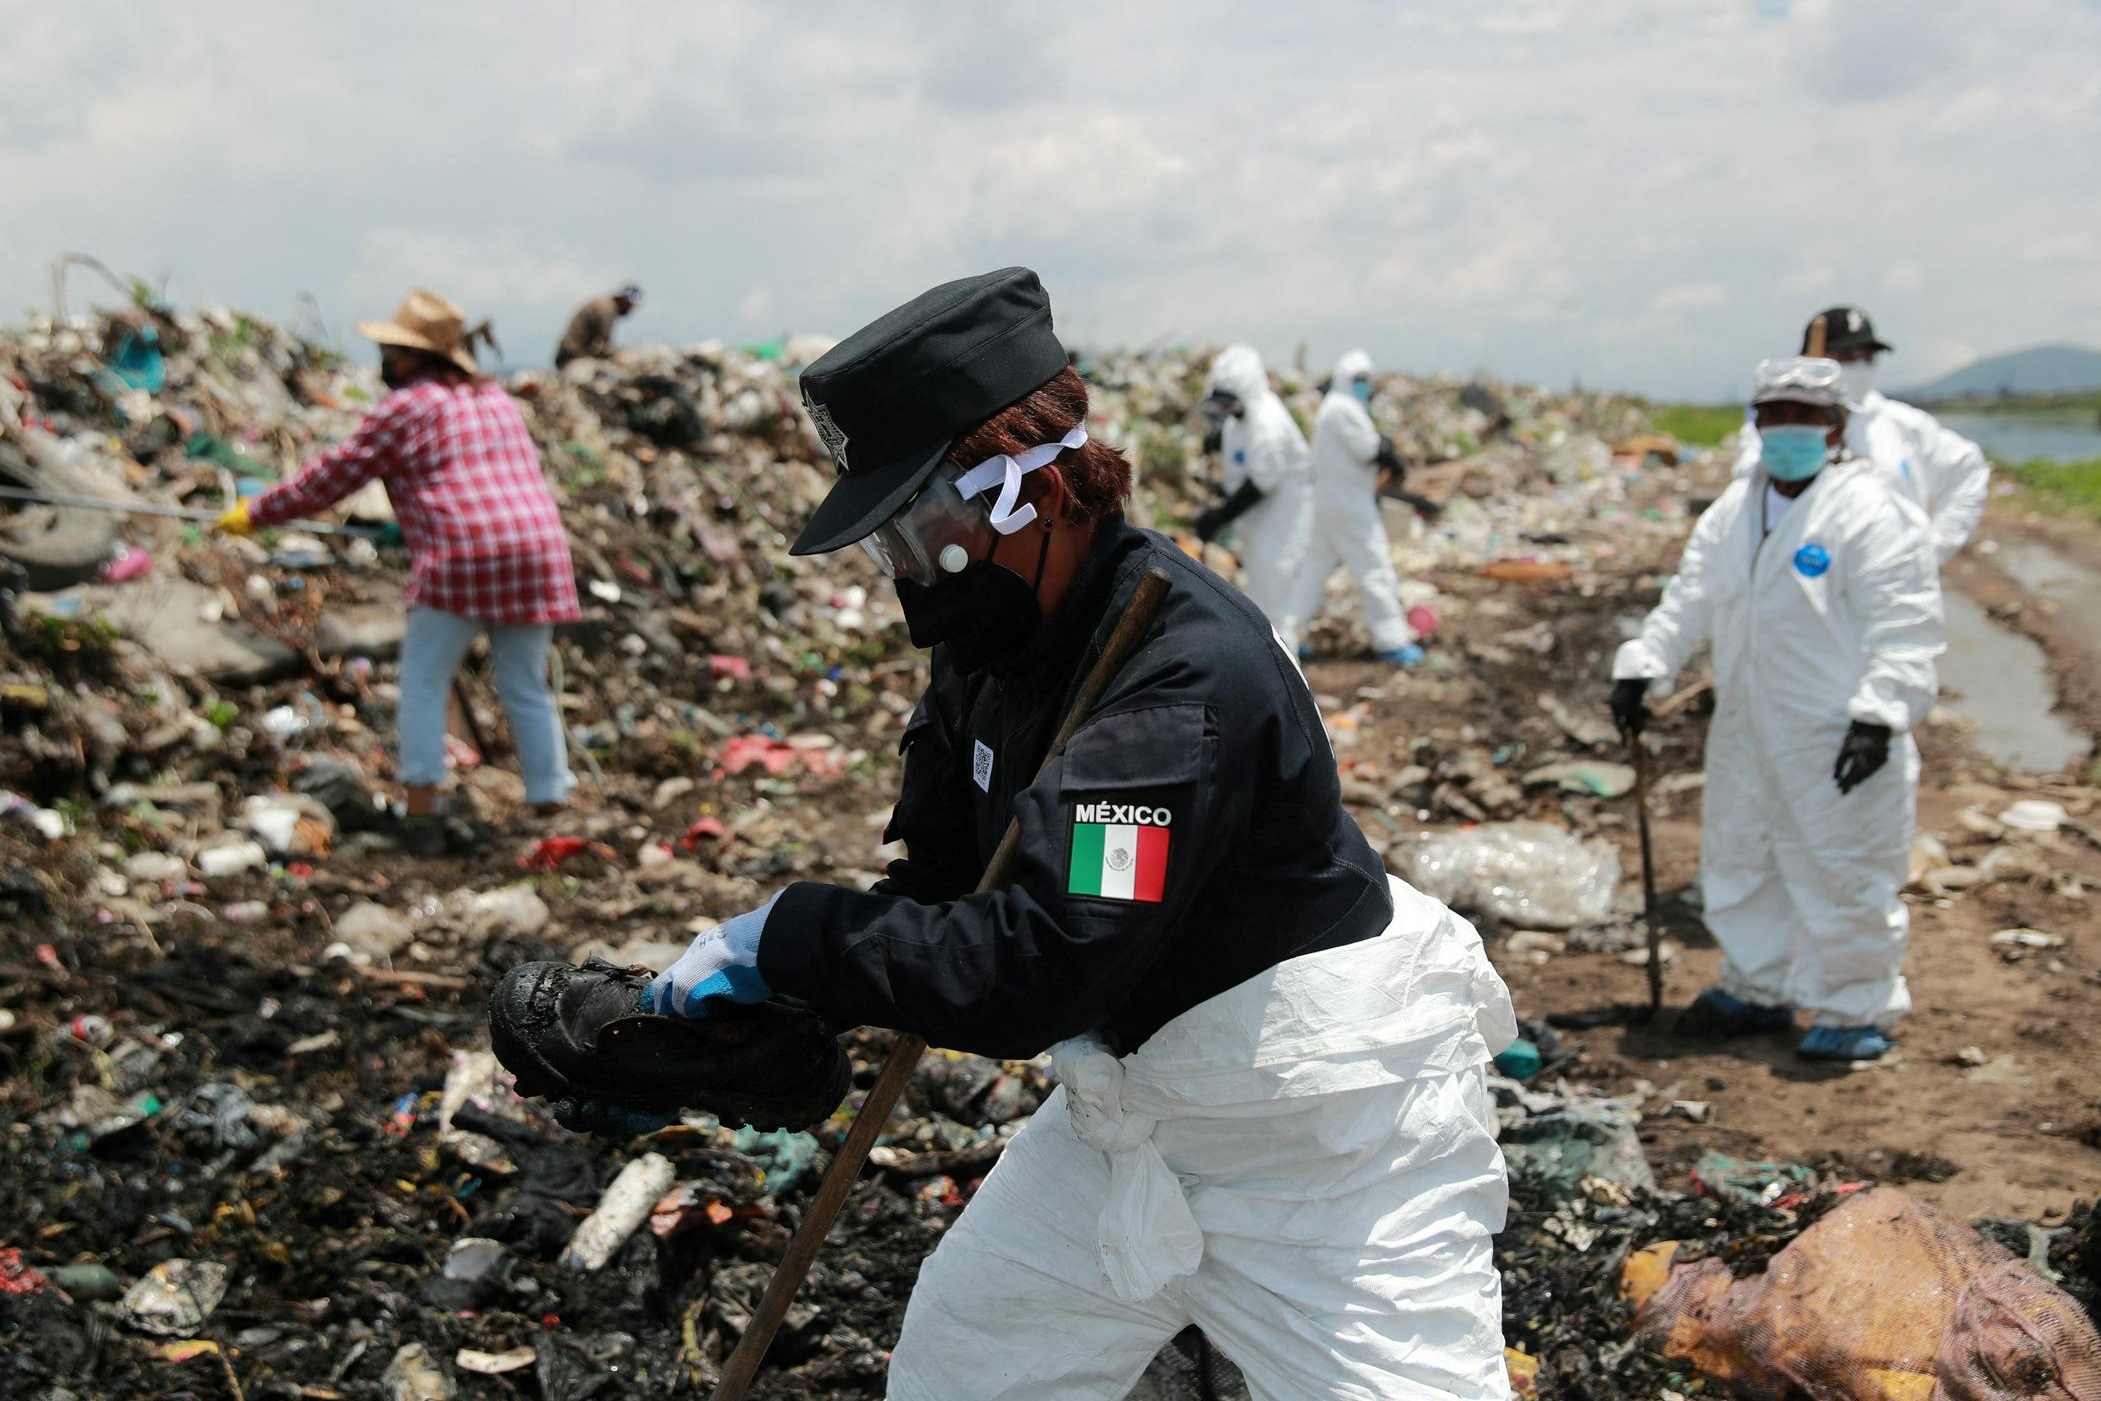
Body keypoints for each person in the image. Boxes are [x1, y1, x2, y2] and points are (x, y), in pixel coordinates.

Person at [501, 268, 1516, 1397]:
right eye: (881, 541)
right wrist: (784, 1000)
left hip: (1321, 1142)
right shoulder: (992, 645)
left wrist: (792, 938)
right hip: (1127, 1113)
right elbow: (942, 881)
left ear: (1021, 491)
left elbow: (1040, 966)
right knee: (967, 1364)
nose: (900, 573)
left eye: (914, 528)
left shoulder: (1175, 689)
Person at [1611, 357, 1943, 1062]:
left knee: (1843, 867)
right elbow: (1691, 598)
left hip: (1835, 729)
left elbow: (1905, 624)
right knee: (1741, 857)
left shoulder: (1870, 512)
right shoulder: (1734, 511)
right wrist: (1644, 666)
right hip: (1746, 726)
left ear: (1836, 426)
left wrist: (1881, 714)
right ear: (1756, 422)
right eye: (1776, 415)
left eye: (1806, 417)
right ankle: (1755, 987)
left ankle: (1855, 1005)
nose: (1789, 429)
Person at [216, 288, 579, 853]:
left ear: (415, 357)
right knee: (525, 683)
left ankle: (421, 807)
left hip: (463, 553)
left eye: (393, 350)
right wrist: (404, 522)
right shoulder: (494, 398)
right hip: (536, 548)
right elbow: (468, 476)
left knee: (423, 682)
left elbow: (334, 477)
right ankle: (549, 796)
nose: (386, 359)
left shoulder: (407, 405)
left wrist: (256, 513)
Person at [1733, 307, 1989, 563]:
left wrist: (1934, 547)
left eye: (1867, 358)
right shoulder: (1777, 429)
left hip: (1888, 574)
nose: (1859, 366)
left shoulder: (1904, 425)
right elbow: (1748, 489)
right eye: (1845, 357)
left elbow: (1968, 468)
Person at [1287, 348, 1419, 662]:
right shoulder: (1343, 408)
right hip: (1348, 506)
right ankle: (1392, 641)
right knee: (1374, 569)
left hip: (1327, 505)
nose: (1363, 385)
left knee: (1312, 573)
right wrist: (1389, 452)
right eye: (1357, 379)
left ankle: (1286, 638)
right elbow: (1368, 449)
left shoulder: (1336, 407)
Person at [1189, 343, 1313, 647]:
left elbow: (1260, 484)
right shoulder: (1243, 414)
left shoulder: (1268, 425)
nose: (1226, 410)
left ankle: (1286, 672)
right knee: (1264, 591)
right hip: (1260, 521)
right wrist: (1216, 441)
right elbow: (1237, 437)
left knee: (1273, 600)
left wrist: (1218, 517)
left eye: (1230, 403)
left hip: (1280, 522)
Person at [554, 284, 642, 368]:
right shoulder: (608, 309)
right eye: (630, 305)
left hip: (569, 352)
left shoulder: (604, 304)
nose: (630, 309)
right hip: (571, 355)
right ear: (623, 300)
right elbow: (605, 342)